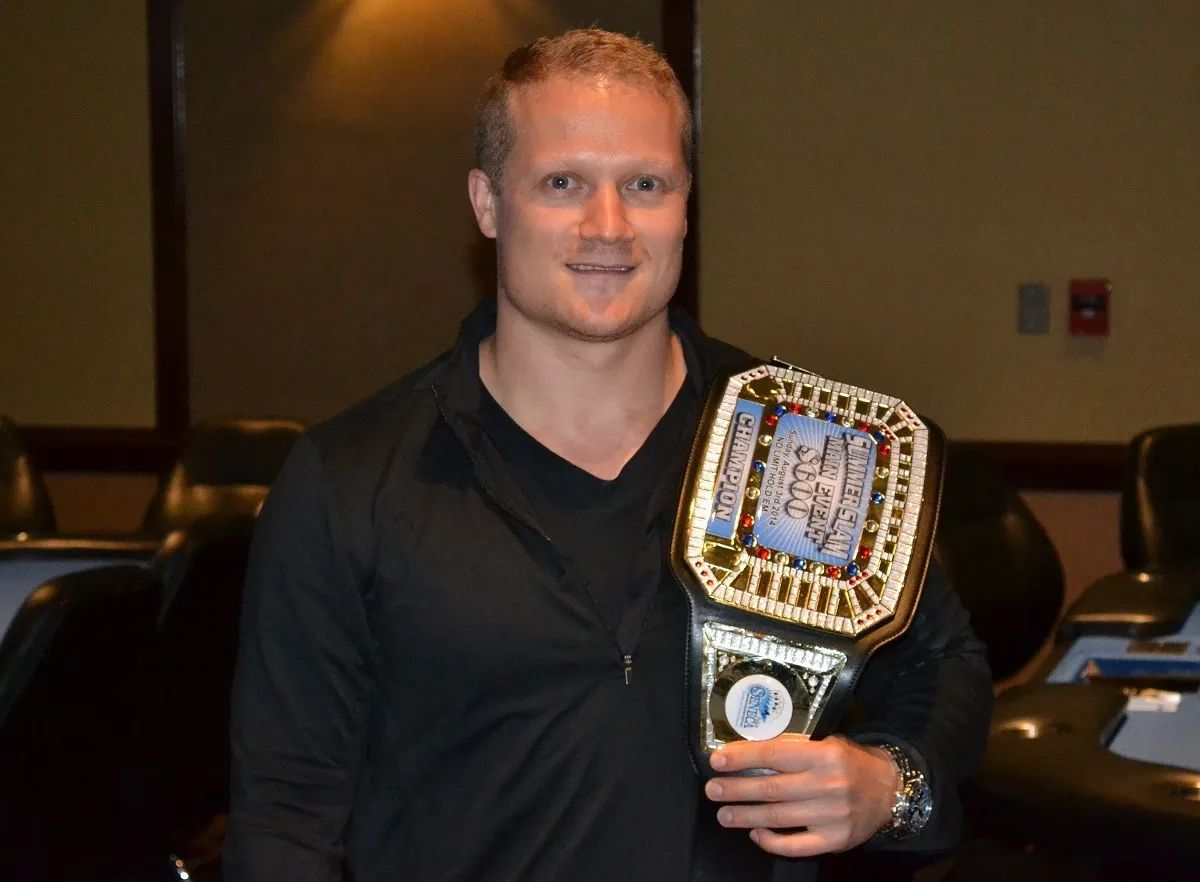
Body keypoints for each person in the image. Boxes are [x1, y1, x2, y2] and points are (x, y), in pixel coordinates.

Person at [223, 28, 992, 882]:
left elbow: (943, 667)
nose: (609, 226)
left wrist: (891, 785)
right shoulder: (352, 480)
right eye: (563, 183)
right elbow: (284, 819)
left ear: (686, 204)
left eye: (645, 185)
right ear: (487, 203)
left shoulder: (801, 445)